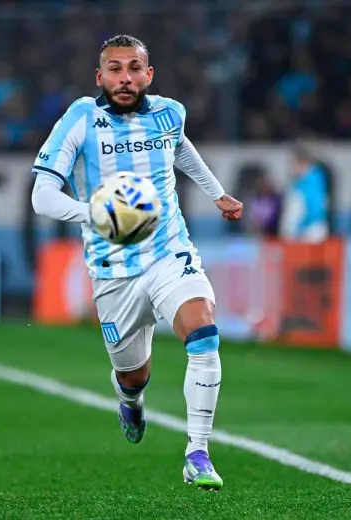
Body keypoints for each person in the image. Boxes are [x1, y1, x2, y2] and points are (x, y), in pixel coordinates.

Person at [30, 35, 243, 490]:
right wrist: (96, 214)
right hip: (114, 273)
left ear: (149, 75)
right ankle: (131, 401)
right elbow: (42, 195)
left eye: (133, 68)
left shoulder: (169, 112)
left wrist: (216, 192)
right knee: (133, 374)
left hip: (168, 252)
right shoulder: (80, 120)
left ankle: (198, 452)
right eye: (114, 69)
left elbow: (181, 146)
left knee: (203, 329)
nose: (124, 78)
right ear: (99, 77)